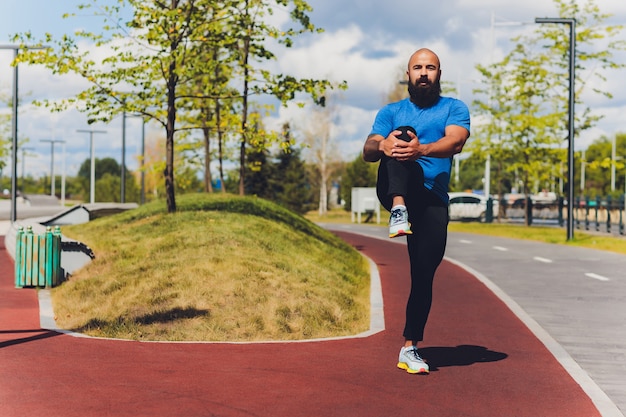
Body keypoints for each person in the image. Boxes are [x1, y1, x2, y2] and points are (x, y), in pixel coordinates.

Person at [362, 48, 470, 374]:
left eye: (431, 68)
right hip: (397, 189)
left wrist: (421, 149)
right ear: (408, 74)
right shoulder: (391, 111)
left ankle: (410, 347)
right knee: (401, 135)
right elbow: (368, 148)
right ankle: (398, 211)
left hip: (432, 200)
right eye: (417, 67)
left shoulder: (454, 108)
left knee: (423, 276)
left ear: (439, 74)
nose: (424, 73)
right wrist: (382, 144)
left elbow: (456, 142)